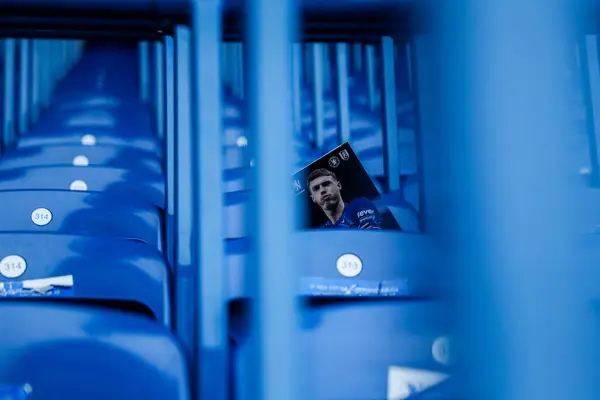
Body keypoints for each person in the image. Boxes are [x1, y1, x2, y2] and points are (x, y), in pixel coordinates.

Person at [307, 168, 382, 229]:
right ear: (313, 198)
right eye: (316, 188)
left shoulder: (360, 205)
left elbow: (370, 237)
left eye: (326, 184)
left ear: (339, 186)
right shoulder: (324, 231)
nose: (322, 190)